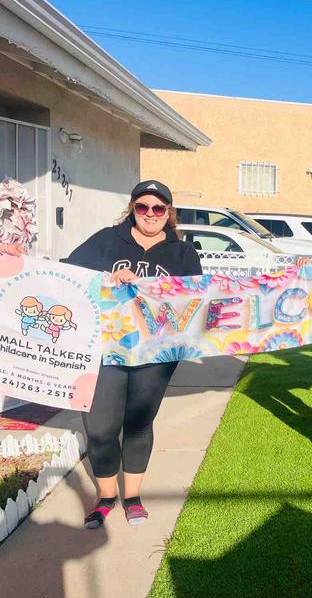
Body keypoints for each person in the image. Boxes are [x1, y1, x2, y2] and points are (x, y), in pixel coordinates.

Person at [65, 180, 202, 528]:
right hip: (106, 352)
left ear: (169, 213)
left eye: (159, 208)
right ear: (132, 208)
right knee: (100, 426)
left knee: (139, 422)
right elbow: (69, 274)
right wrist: (108, 278)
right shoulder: (107, 240)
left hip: (155, 355)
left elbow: (195, 301)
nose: (151, 214)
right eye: (143, 207)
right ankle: (106, 497)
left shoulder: (183, 253)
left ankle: (133, 496)